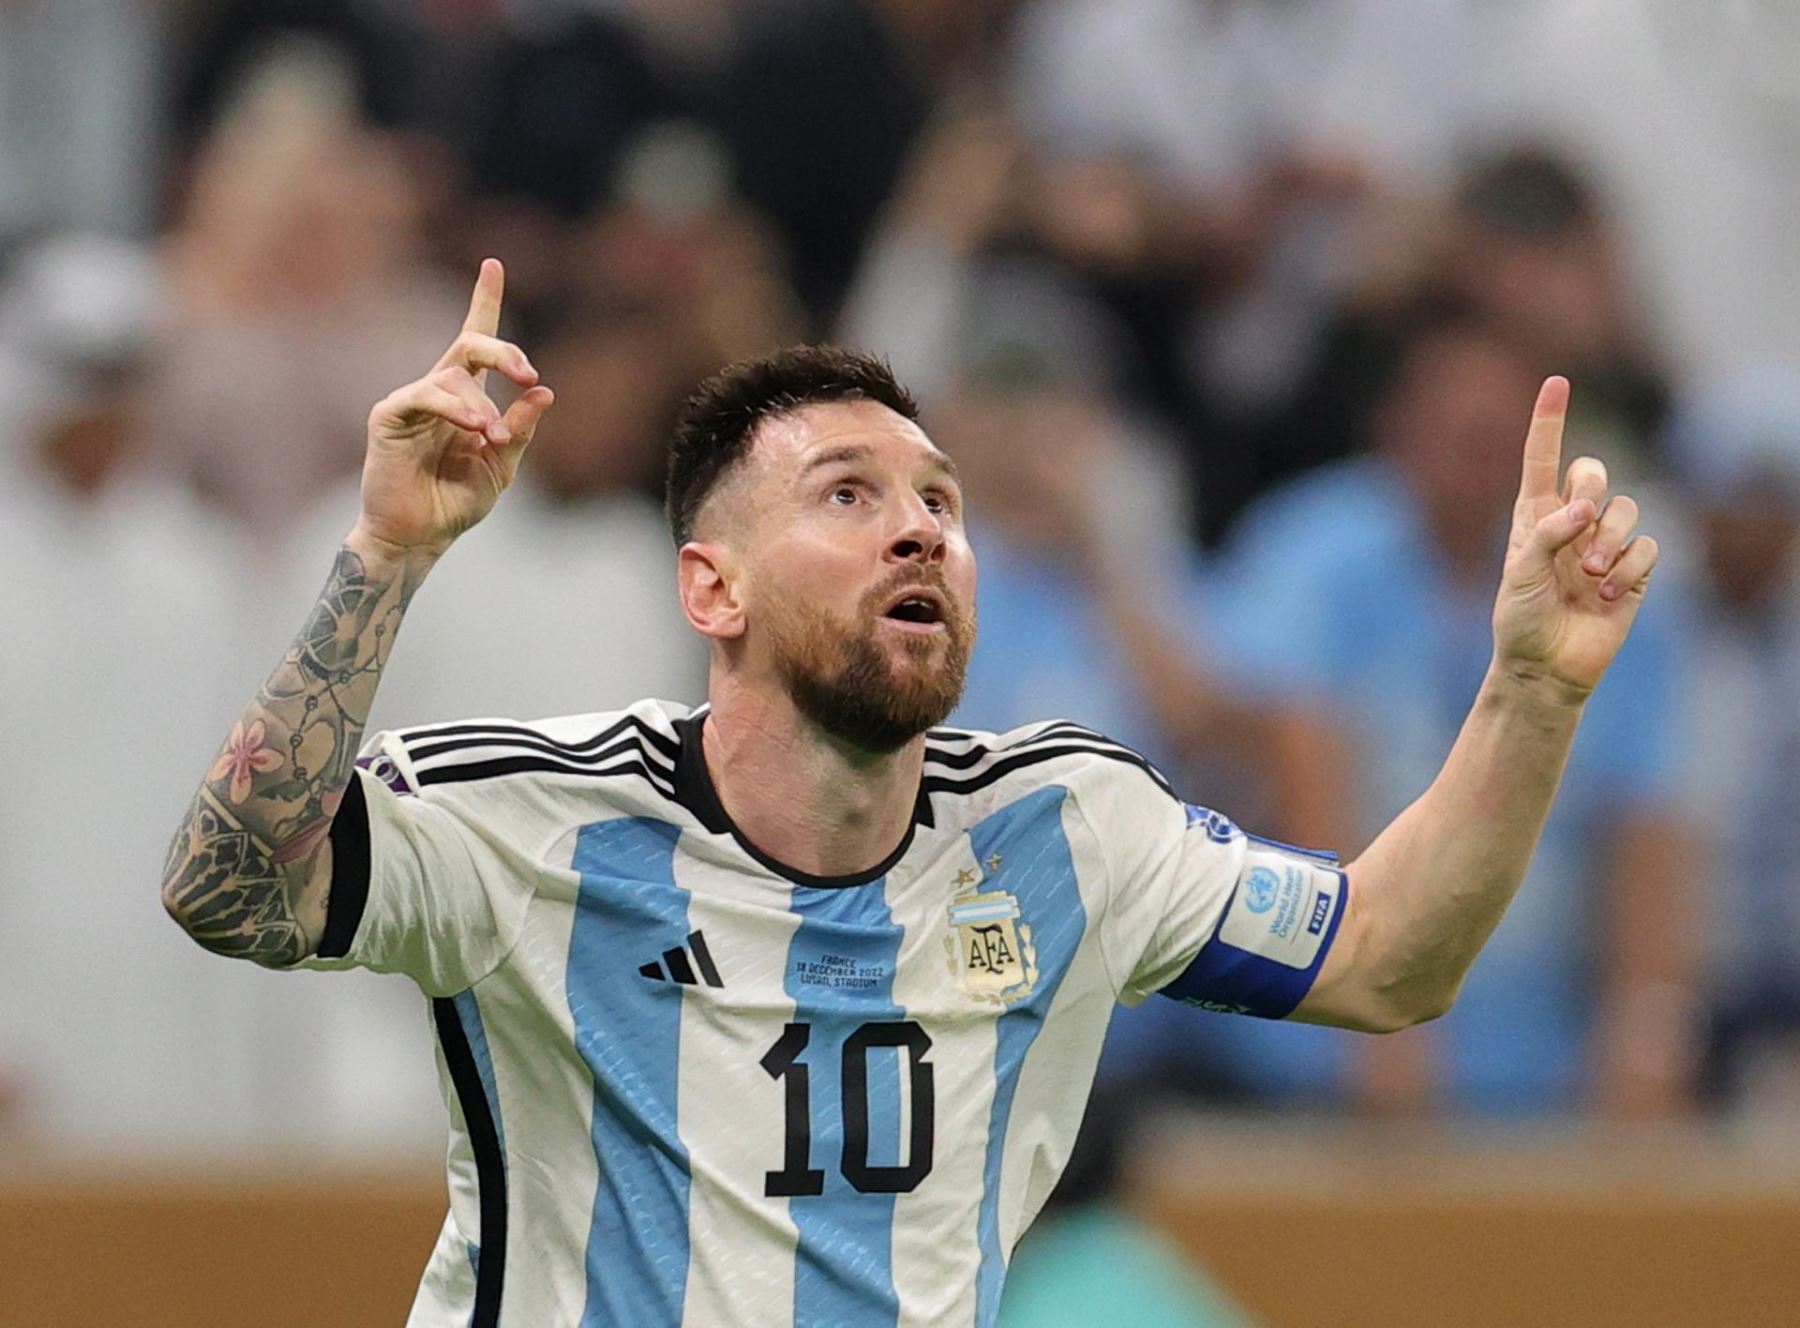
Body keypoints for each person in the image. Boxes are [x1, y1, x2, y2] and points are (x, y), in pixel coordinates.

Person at [163, 260, 1661, 1326]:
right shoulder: (531, 818)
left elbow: (1390, 957)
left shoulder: (1066, 832)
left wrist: (1533, 688)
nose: (918, 534)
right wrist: (387, 556)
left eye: (939, 502)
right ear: (712, 586)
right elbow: (225, 888)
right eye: (847, 496)